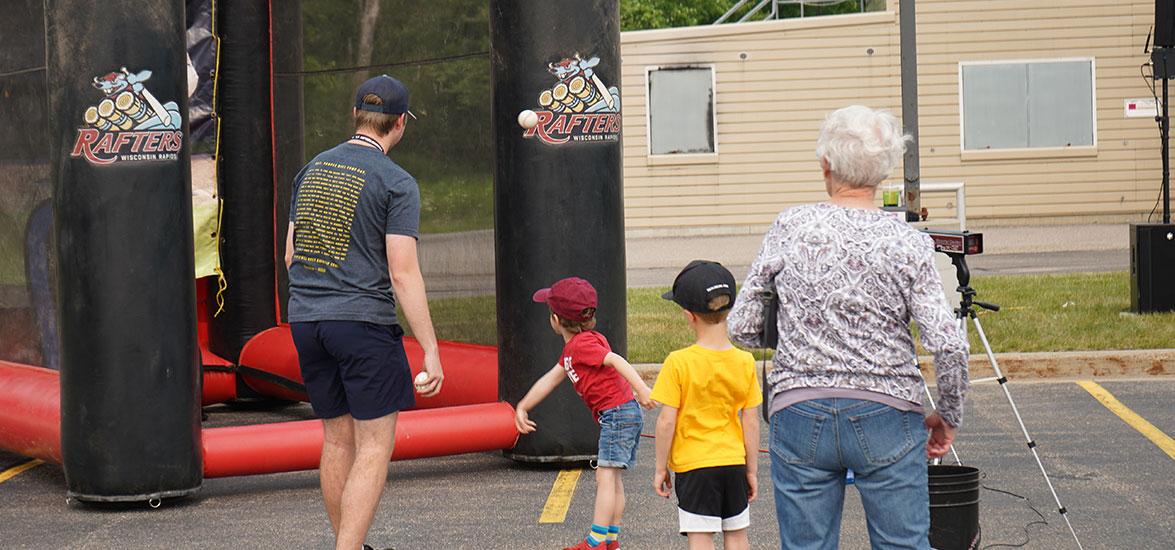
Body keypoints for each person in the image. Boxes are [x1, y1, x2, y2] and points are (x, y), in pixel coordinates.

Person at [728, 105, 970, 550]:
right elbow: (949, 345)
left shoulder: (790, 227)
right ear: (883, 171)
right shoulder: (909, 242)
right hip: (889, 411)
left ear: (826, 164)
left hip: (799, 409)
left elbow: (741, 328)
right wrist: (948, 414)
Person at [285, 74, 443, 550]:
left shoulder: (311, 169)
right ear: (399, 124)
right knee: (374, 446)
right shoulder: (396, 182)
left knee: (337, 441)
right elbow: (403, 274)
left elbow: (292, 254)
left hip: (306, 321)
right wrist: (431, 349)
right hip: (362, 326)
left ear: (356, 116)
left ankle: (348, 544)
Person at [513, 276, 654, 550]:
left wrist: (642, 388)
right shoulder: (572, 350)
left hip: (618, 414)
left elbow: (615, 359)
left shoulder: (583, 345)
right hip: (619, 414)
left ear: (555, 319)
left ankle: (596, 542)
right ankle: (610, 539)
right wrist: (524, 405)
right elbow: (551, 379)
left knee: (605, 477)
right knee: (611, 478)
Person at [651, 260, 762, 550]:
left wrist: (660, 468)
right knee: (737, 534)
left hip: (694, 465)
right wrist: (751, 470)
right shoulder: (744, 361)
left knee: (701, 538)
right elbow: (750, 420)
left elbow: (665, 422)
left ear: (689, 316)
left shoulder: (679, 362)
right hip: (733, 462)